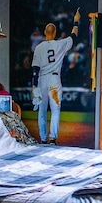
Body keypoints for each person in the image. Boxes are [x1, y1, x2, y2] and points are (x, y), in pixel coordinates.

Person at [31, 8, 80, 144]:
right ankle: (52, 138)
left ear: (45, 33)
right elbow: (73, 36)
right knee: (55, 110)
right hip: (54, 80)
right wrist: (76, 21)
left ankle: (43, 138)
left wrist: (34, 87)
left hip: (42, 79)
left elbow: (35, 70)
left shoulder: (39, 47)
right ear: (55, 33)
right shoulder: (60, 44)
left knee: (42, 111)